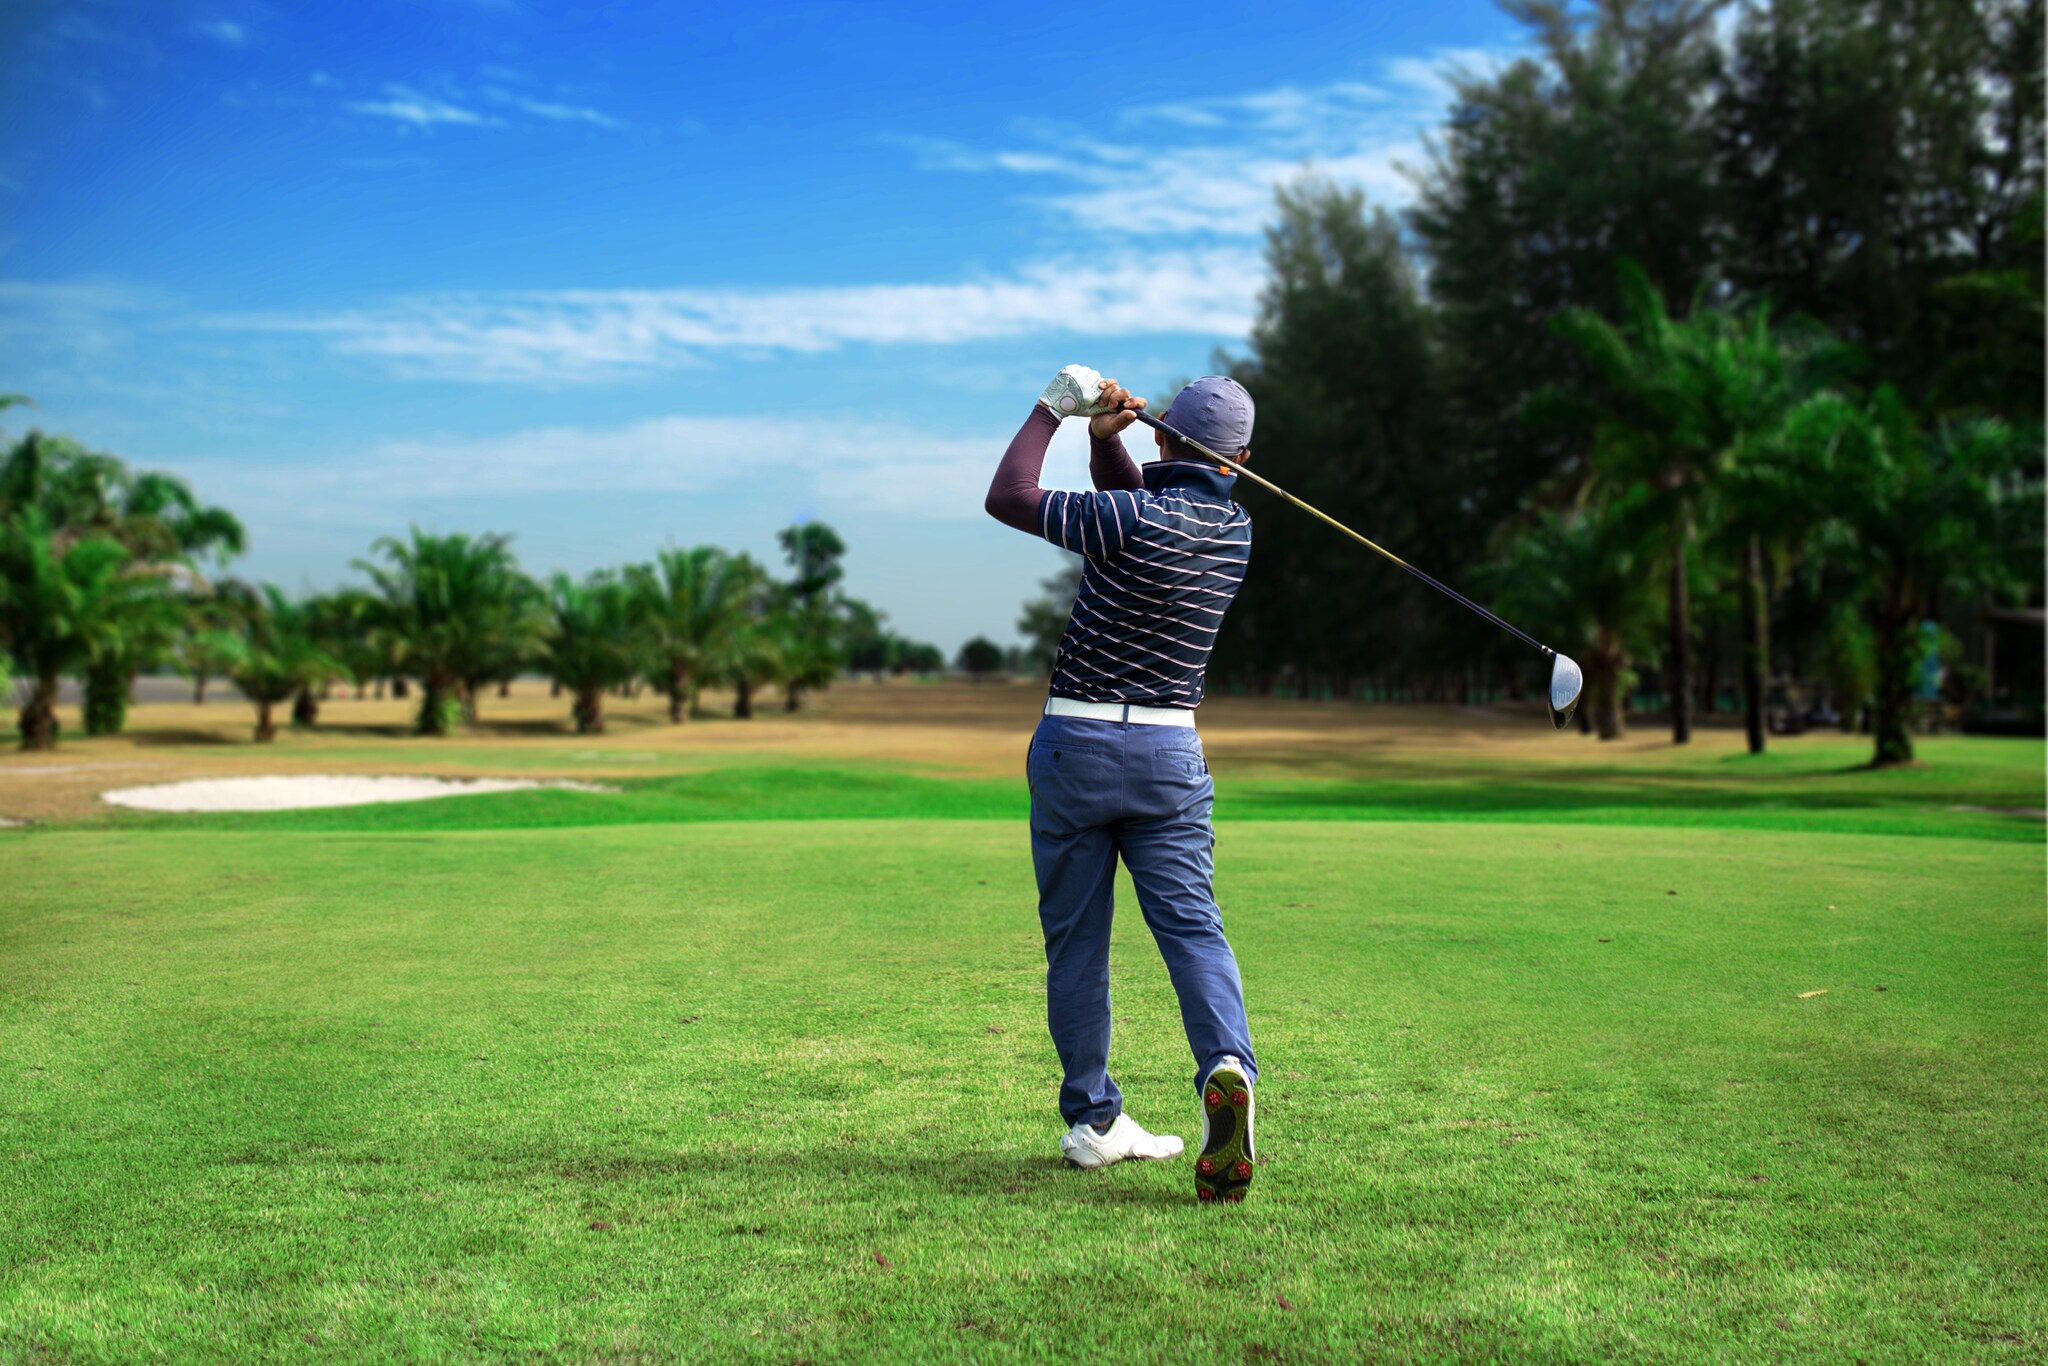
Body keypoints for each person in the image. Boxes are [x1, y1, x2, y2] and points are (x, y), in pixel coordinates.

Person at [984, 364, 1260, 1204]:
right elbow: (1143, 510)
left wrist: (1054, 411)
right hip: (1170, 758)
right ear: (1243, 457)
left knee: (1077, 942)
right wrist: (1111, 443)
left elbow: (1010, 495)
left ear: (1164, 434)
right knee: (1193, 930)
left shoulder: (1128, 515)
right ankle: (1226, 1067)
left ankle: (1096, 1122)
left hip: (1077, 744)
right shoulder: (1235, 530)